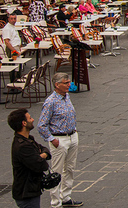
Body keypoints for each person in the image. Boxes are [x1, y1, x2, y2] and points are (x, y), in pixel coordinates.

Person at [37, 72, 83, 208]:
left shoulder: (66, 96)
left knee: (69, 168)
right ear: (57, 85)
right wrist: (51, 139)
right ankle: (55, 202)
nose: (69, 85)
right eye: (66, 83)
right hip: (59, 139)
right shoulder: (50, 102)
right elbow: (41, 125)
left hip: (72, 136)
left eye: (69, 82)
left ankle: (66, 197)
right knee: (56, 172)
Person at [8, 108, 51, 208]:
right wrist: (42, 156)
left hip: (31, 190)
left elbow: (45, 149)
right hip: (26, 193)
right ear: (24, 123)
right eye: (30, 118)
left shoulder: (28, 139)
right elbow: (42, 165)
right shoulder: (23, 146)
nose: (32, 120)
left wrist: (42, 155)